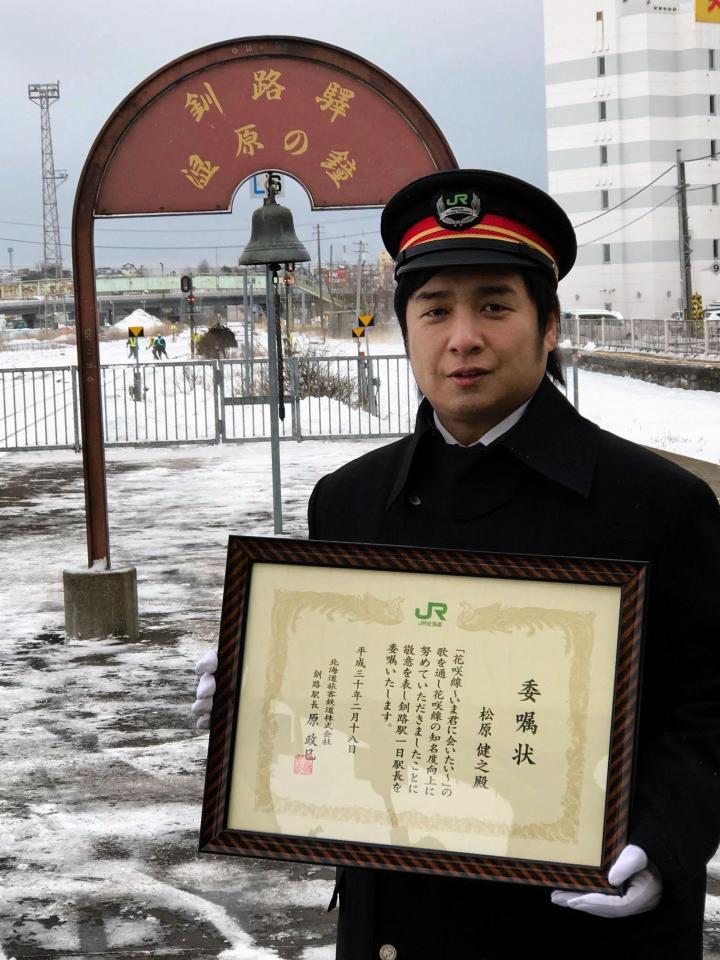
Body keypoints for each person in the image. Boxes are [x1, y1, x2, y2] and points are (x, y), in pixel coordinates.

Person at [193, 169, 720, 960]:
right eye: (435, 309)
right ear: (405, 328)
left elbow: (708, 708)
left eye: (494, 307)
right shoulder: (350, 502)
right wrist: (264, 695)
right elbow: (366, 707)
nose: (462, 337)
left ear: (548, 325)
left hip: (582, 932)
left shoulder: (658, 504)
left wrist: (662, 841)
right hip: (397, 925)